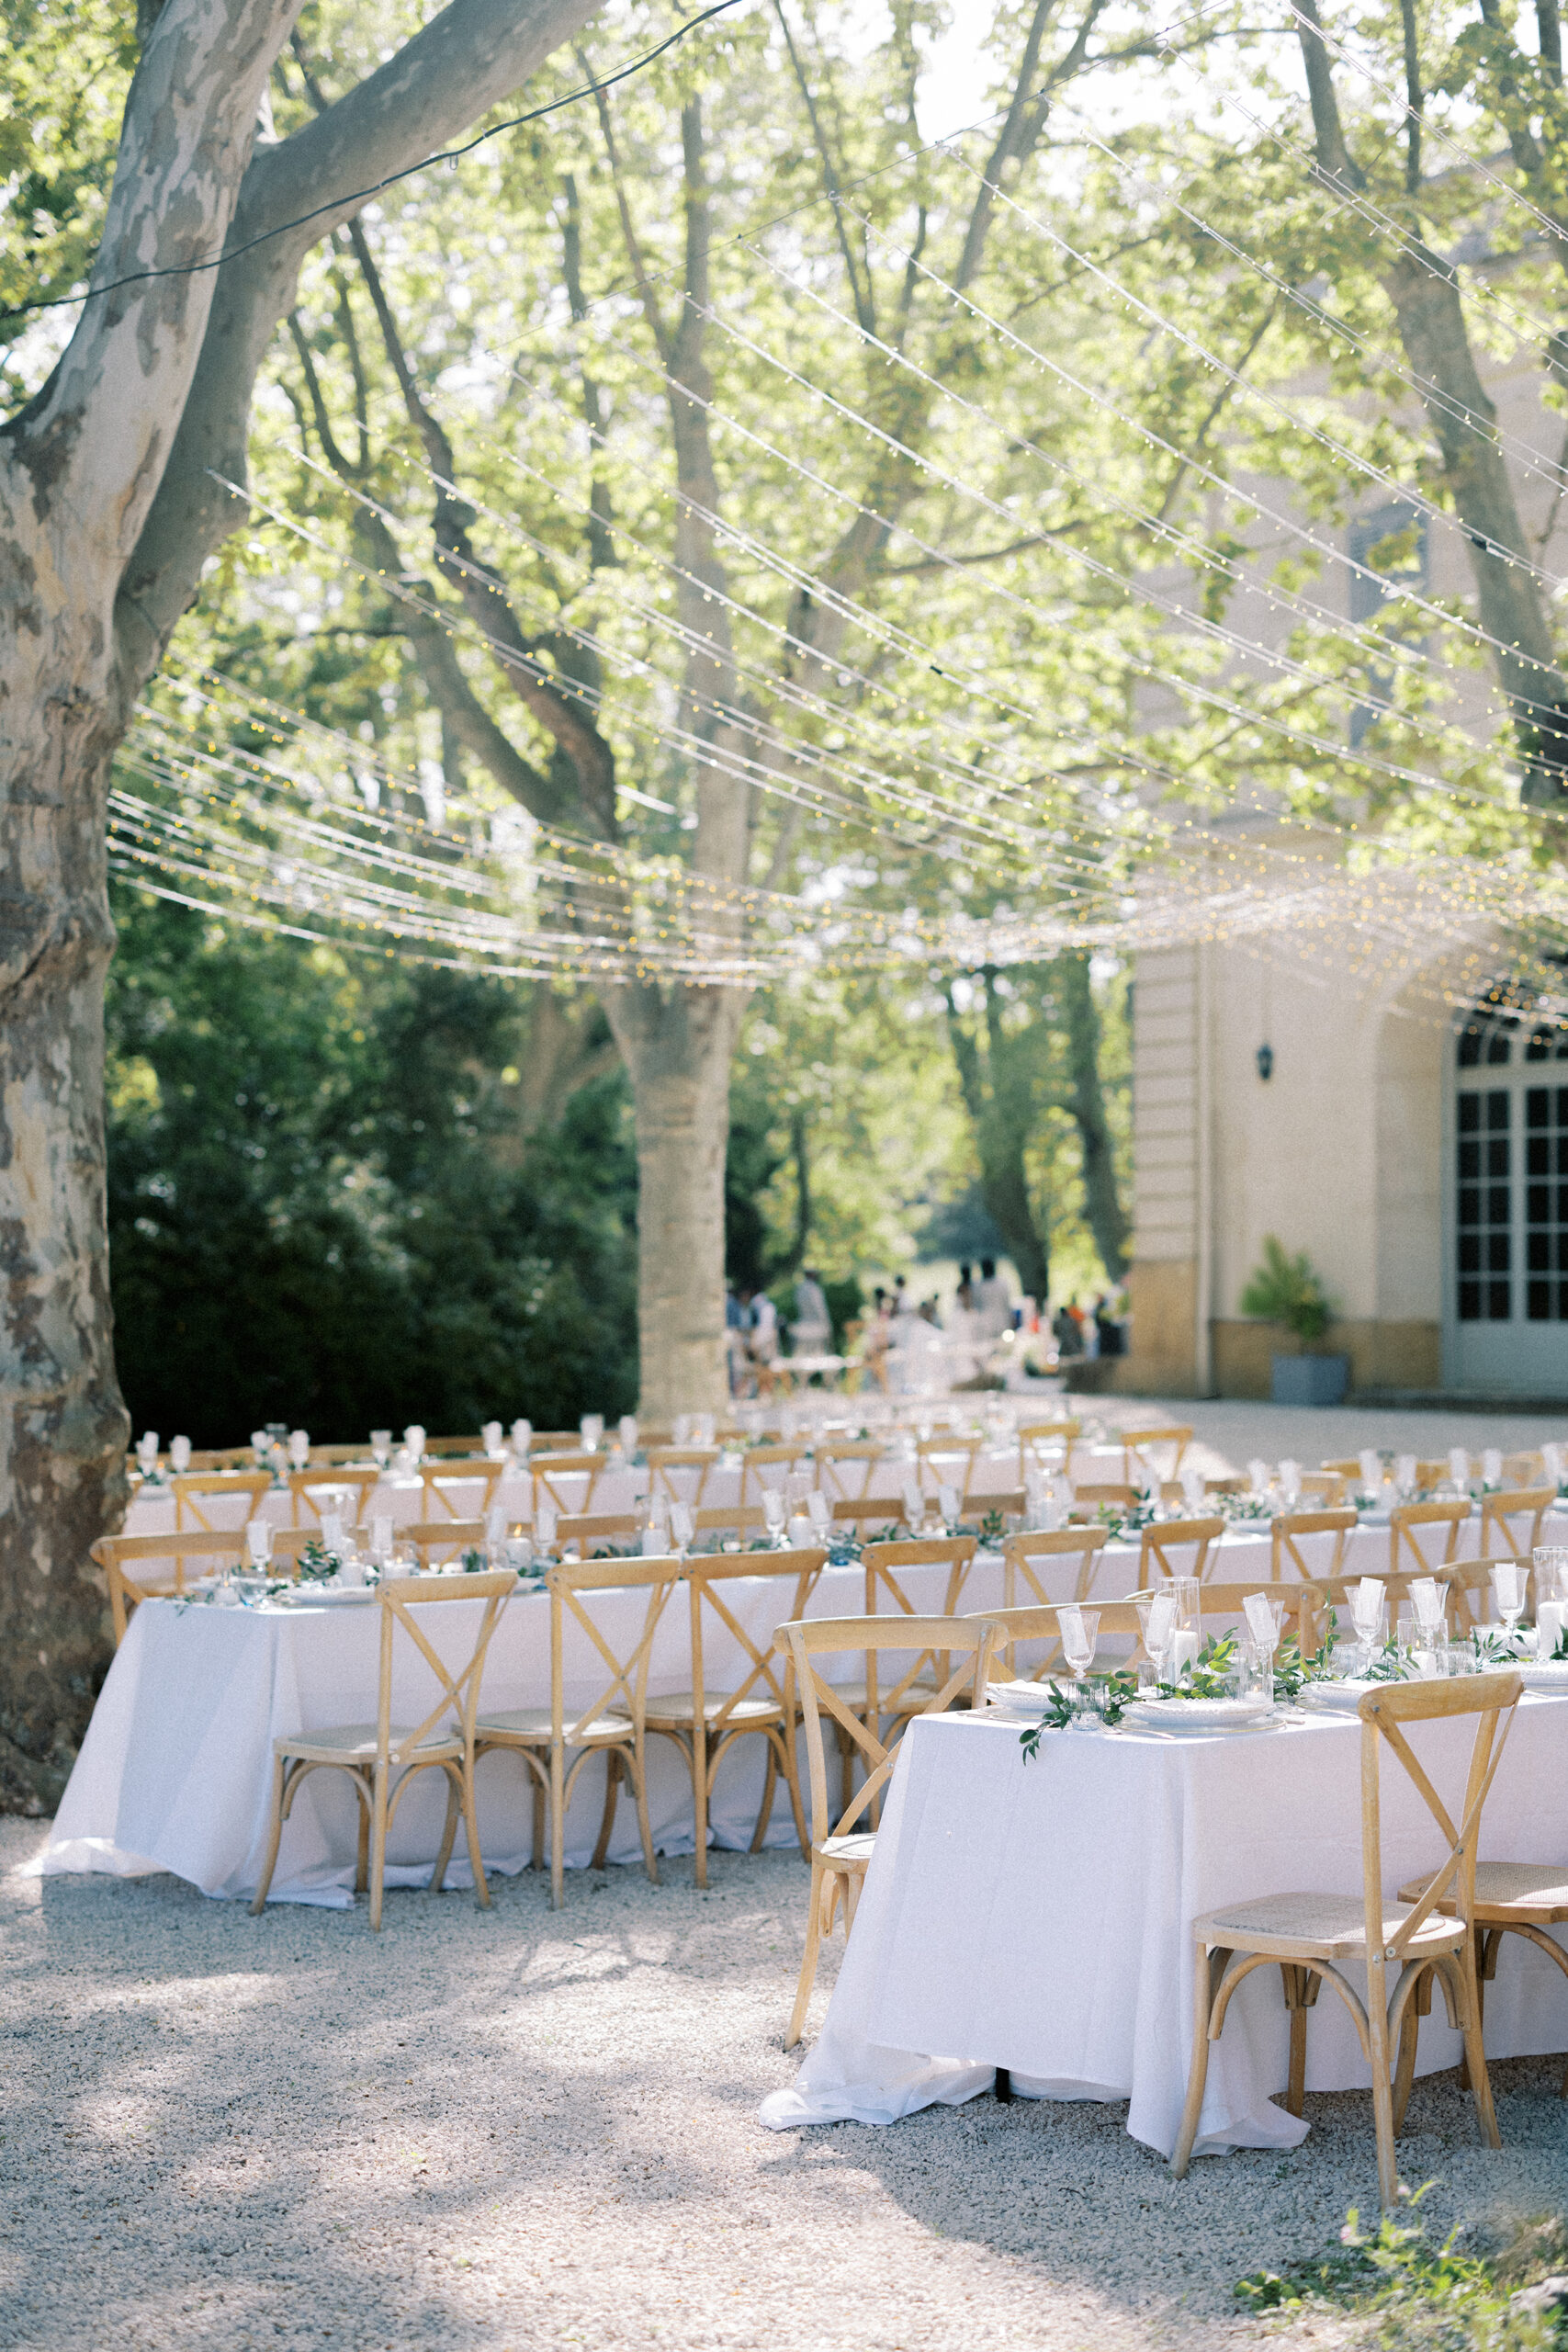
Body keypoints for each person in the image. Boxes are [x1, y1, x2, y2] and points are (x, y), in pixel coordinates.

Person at [793, 1266, 831, 1354]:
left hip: (803, 1326)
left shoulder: (799, 1289)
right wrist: (827, 1325)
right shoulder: (815, 1289)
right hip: (816, 1327)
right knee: (818, 1355)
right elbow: (820, 1309)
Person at [975, 1256, 1012, 1339]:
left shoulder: (980, 1286)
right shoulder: (980, 1286)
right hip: (989, 1324)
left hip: (997, 1322)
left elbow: (1006, 1304)